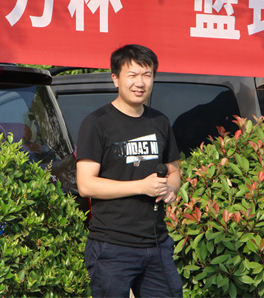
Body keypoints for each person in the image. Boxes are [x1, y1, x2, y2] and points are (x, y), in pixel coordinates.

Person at [76, 44, 183, 298]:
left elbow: (174, 171)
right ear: (116, 78)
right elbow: (86, 185)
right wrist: (141, 187)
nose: (140, 83)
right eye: (132, 75)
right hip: (112, 247)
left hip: (156, 243)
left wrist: (170, 188)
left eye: (147, 75)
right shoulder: (97, 123)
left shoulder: (160, 121)